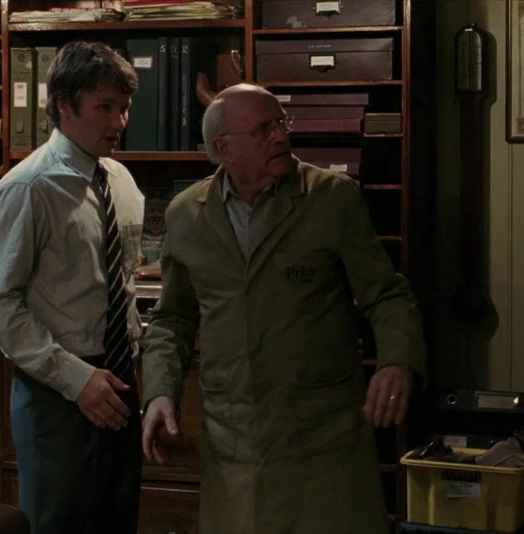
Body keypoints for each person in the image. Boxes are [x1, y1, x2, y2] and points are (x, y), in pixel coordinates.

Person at [140, 83, 427, 533]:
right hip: (234, 448)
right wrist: (160, 393)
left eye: (281, 123)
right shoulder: (186, 215)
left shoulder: (330, 198)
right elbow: (172, 320)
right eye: (262, 129)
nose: (281, 136)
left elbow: (387, 294)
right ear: (224, 149)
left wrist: (397, 361)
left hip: (324, 445)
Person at [0, 41, 145, 534]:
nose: (119, 122)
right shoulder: (28, 187)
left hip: (120, 379)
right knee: (59, 523)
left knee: (117, 520)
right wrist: (76, 378)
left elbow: (123, 281)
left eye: (124, 108)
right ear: (65, 106)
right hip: (59, 390)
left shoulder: (121, 181)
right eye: (105, 108)